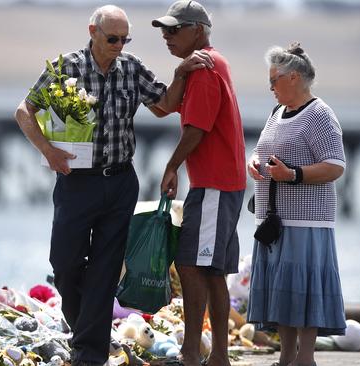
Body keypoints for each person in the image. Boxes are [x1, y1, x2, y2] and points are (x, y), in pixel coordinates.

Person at [14, 5, 212, 366]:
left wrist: (180, 72)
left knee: (105, 270)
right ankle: (87, 333)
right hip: (77, 182)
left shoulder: (131, 67)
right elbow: (24, 111)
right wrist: (48, 150)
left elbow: (164, 105)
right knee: (65, 264)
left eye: (125, 39)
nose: (119, 45)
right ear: (93, 31)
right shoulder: (67, 68)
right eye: (112, 38)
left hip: (121, 181)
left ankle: (88, 354)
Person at [152, 2, 246, 366]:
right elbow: (163, 107)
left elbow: (197, 129)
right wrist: (178, 72)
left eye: (173, 30)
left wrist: (171, 167)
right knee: (212, 269)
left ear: (197, 30)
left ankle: (192, 352)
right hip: (223, 182)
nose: (166, 36)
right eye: (164, 31)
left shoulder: (205, 69)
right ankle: (217, 355)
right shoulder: (206, 63)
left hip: (214, 184)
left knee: (191, 264)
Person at [246, 42, 347, 366]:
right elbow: (263, 149)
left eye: (274, 79)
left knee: (303, 288)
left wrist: (293, 174)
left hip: (306, 220)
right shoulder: (277, 113)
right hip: (274, 219)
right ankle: (286, 356)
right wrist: (254, 162)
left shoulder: (319, 114)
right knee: (282, 290)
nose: (270, 86)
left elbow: (335, 165)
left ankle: (306, 357)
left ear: (294, 78)